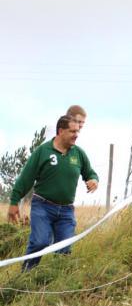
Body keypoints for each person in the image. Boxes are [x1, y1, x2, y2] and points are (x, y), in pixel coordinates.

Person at [7, 115, 99, 270]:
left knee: (64, 250)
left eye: (78, 131)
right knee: (40, 243)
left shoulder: (78, 154)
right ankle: (26, 275)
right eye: (72, 131)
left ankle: (55, 279)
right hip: (43, 207)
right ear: (61, 131)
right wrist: (14, 201)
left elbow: (90, 173)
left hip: (66, 211)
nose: (76, 135)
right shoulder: (43, 151)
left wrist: (93, 180)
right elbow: (26, 178)